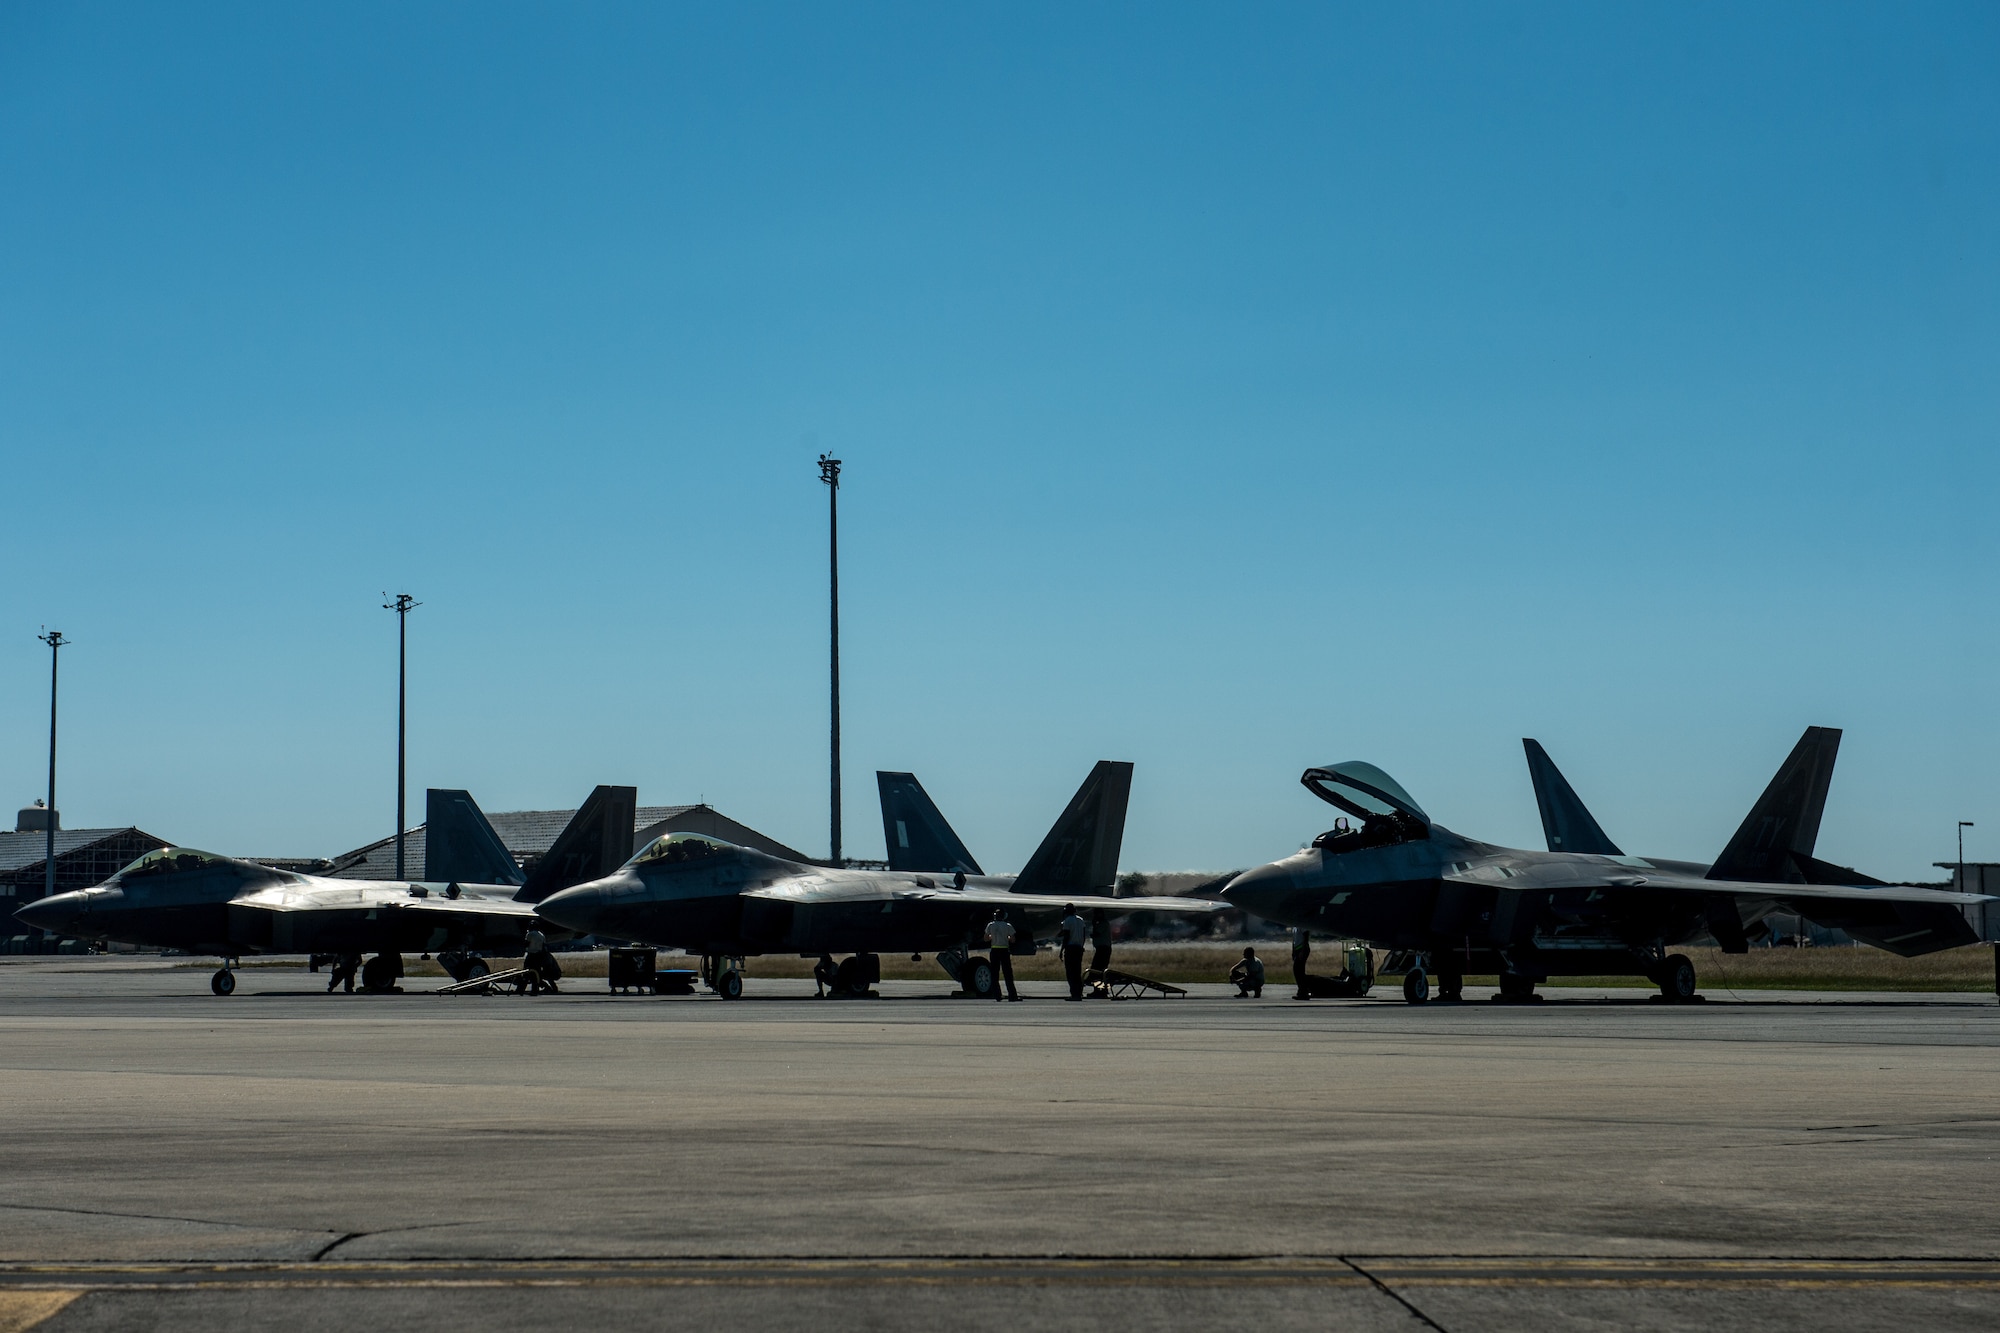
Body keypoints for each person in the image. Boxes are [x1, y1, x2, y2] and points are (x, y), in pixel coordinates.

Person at [983, 909, 1020, 1001]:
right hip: (1004, 950)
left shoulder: (990, 925)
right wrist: (1006, 937)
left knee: (994, 974)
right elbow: (1013, 939)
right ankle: (1012, 995)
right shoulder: (1008, 926)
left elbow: (986, 938)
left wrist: (992, 937)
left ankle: (997, 995)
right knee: (1008, 974)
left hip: (994, 950)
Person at [1058, 904, 1087, 1001]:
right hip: (1079, 948)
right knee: (1077, 971)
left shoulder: (1067, 921)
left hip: (1070, 948)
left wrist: (1062, 950)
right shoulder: (1081, 920)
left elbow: (1066, 937)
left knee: (1070, 973)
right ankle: (1079, 993)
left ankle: (1074, 994)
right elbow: (1083, 935)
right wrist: (1082, 946)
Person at [523, 928, 561, 995]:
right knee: (537, 973)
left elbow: (527, 944)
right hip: (539, 955)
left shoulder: (530, 934)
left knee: (527, 973)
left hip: (532, 955)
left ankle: (524, 989)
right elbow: (543, 945)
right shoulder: (541, 935)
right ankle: (537, 989)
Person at [1291, 926, 1312, 1000]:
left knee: (1298, 970)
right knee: (1298, 971)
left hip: (1302, 949)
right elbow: (1294, 940)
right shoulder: (1294, 927)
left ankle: (1303, 991)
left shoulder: (1301, 924)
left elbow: (1306, 935)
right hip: (1297, 949)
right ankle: (1302, 990)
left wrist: (1303, 950)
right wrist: (1293, 951)